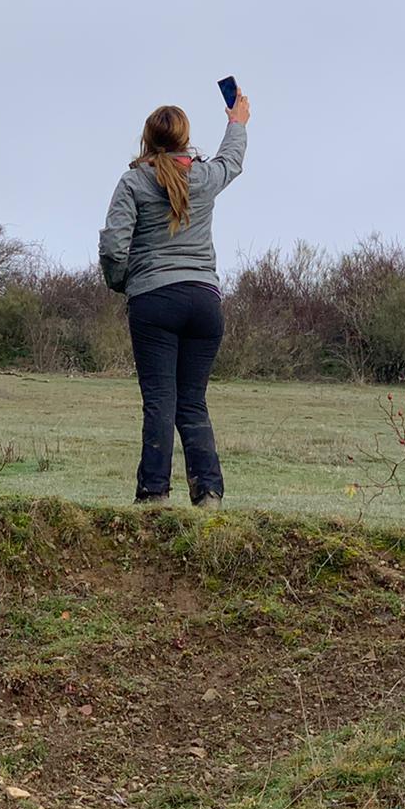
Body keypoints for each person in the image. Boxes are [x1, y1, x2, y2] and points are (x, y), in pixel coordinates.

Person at [99, 93, 251, 507]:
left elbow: (114, 247)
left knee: (160, 401)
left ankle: (154, 494)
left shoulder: (133, 181)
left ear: (147, 139)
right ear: (186, 139)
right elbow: (231, 160)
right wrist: (237, 121)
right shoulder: (204, 178)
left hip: (154, 301)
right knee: (192, 401)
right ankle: (209, 494)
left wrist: (123, 283)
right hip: (205, 301)